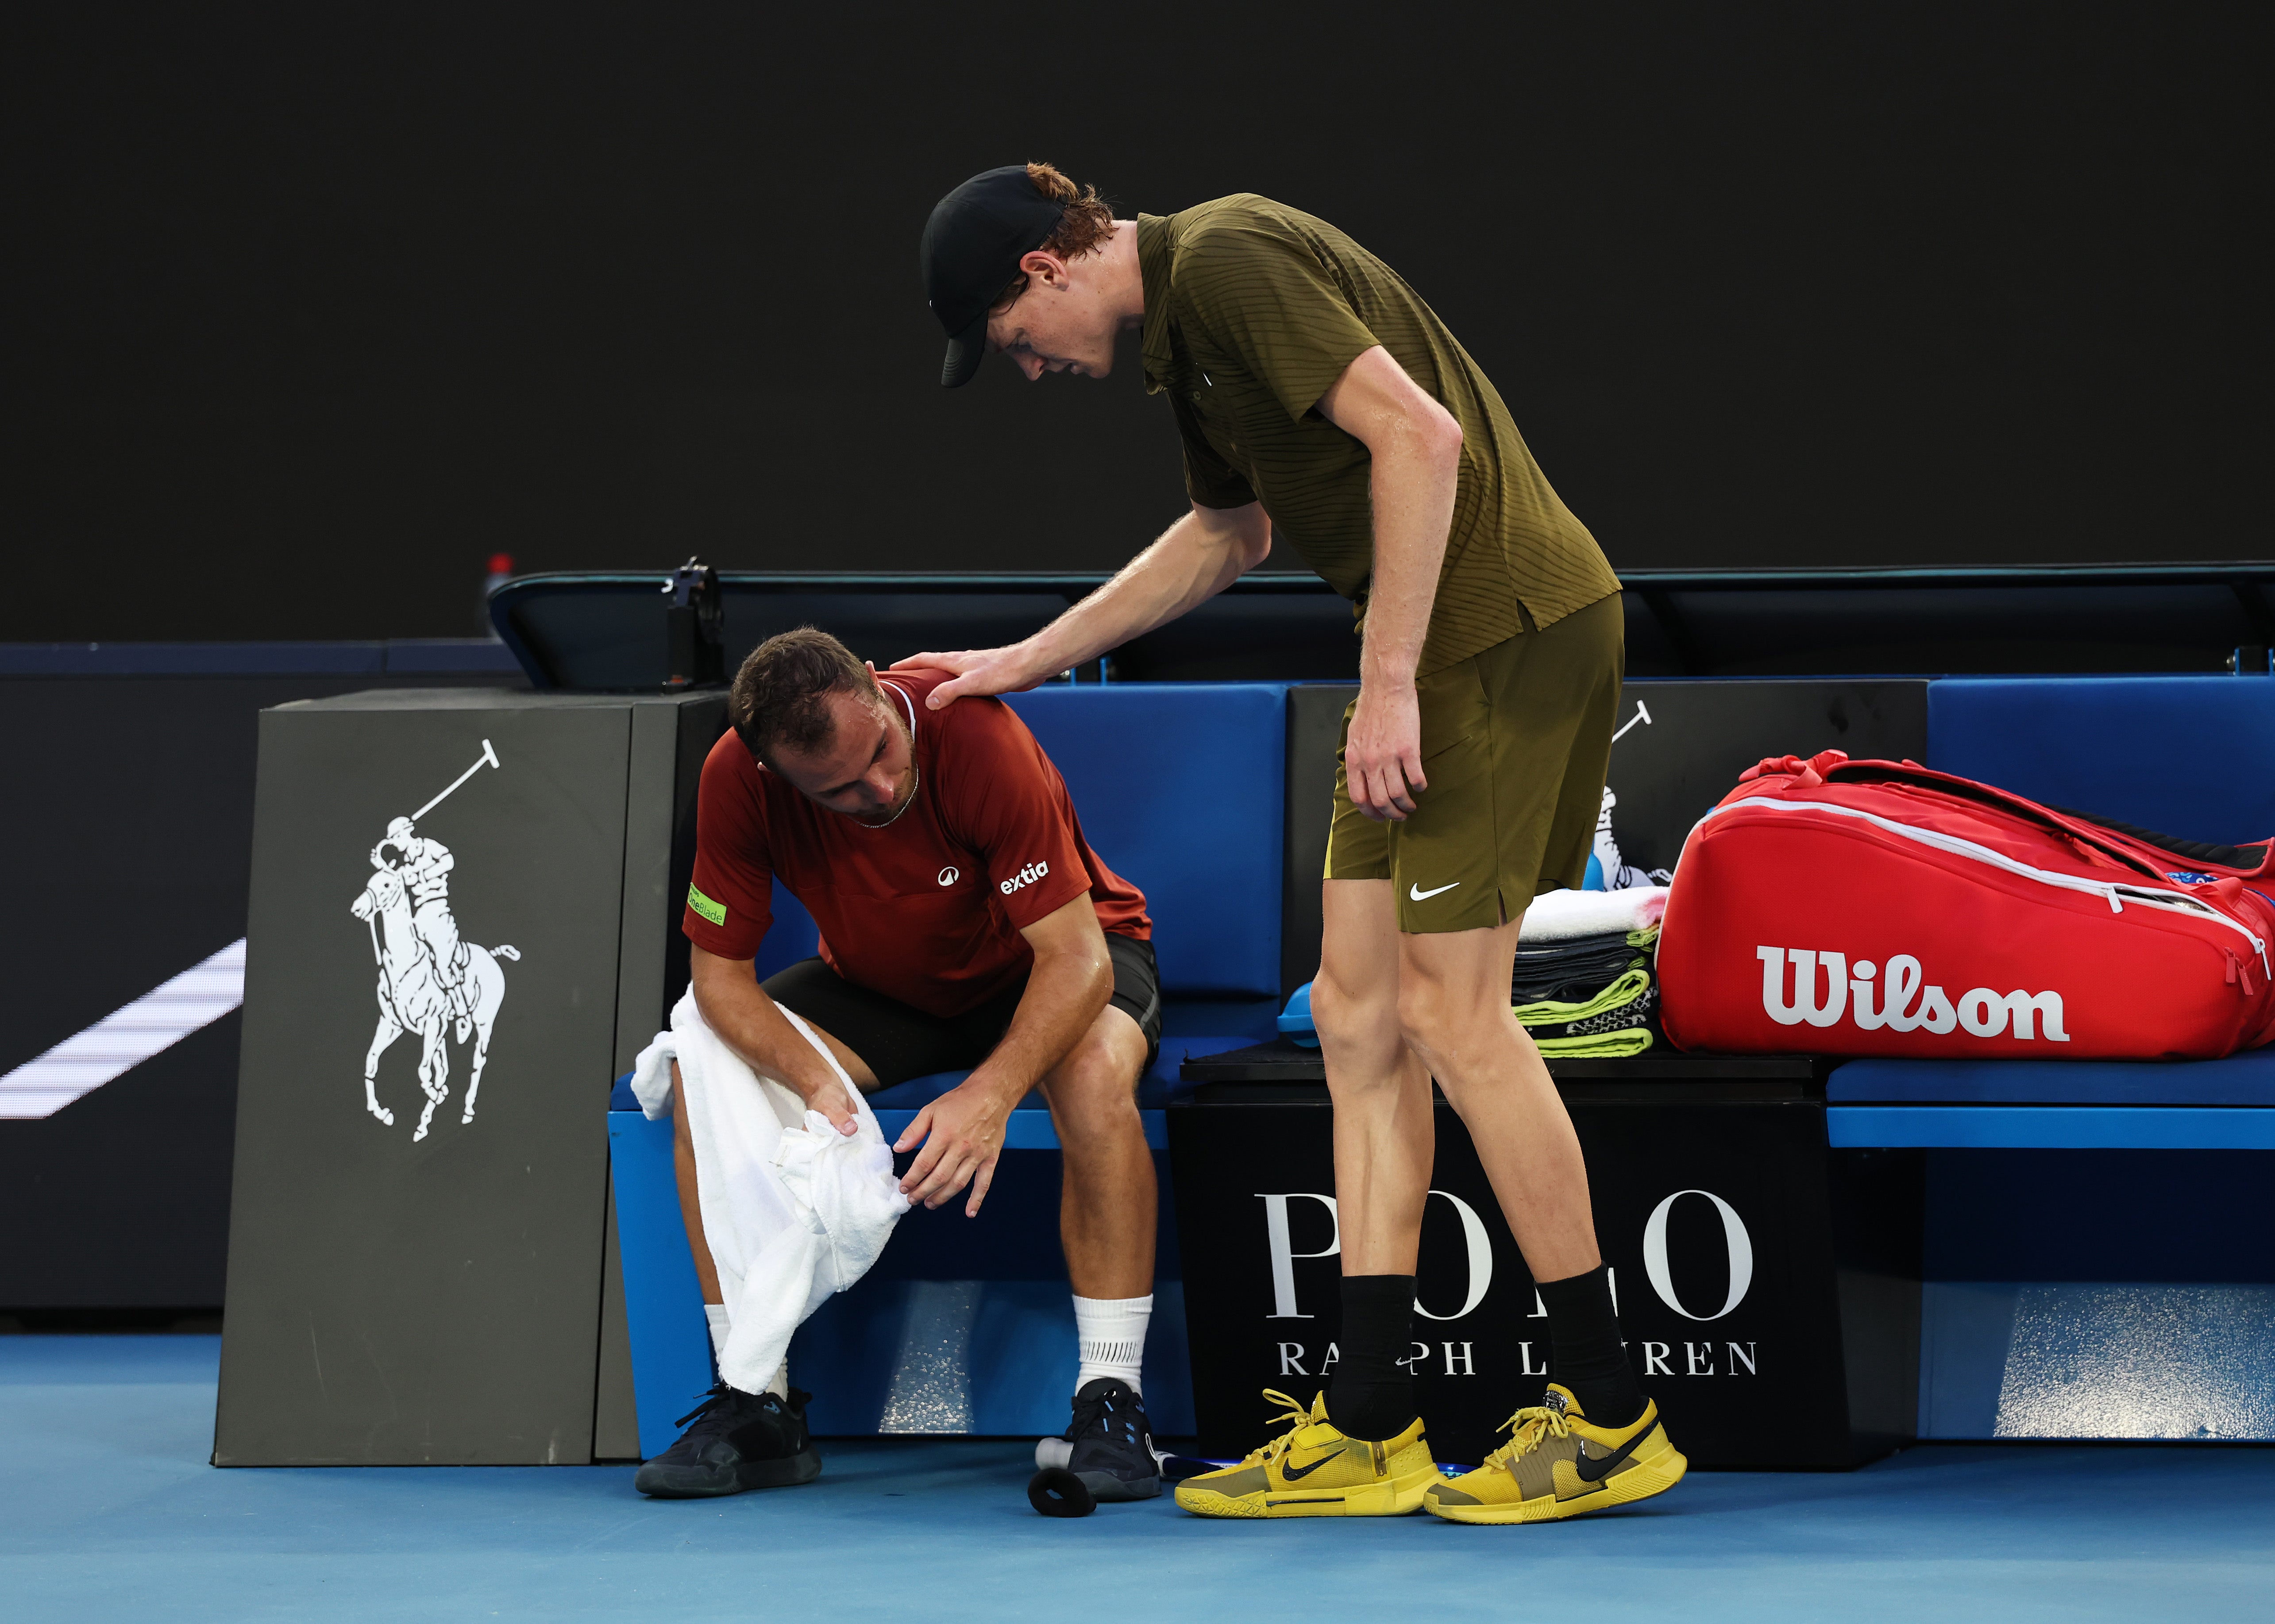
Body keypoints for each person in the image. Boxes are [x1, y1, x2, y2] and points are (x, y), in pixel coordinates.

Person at [909, 164, 1686, 1523]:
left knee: (1455, 1014)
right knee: (1355, 1014)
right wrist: (1027, 656)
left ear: (1041, 271)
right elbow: (1228, 534)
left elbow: (1422, 439)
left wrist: (1385, 685)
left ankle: (1612, 1412)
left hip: (1492, 634)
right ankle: (1374, 1423)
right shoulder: (1189, 341)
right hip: (1429, 652)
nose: (1029, 370)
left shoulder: (1224, 260)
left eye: (1014, 344)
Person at [633, 627, 1167, 1505]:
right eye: (836, 787)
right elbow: (718, 982)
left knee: (1093, 1070)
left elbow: (1077, 963)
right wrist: (812, 1082)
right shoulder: (737, 776)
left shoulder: (972, 733)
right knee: (707, 1065)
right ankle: (754, 1396)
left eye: (879, 750)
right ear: (777, 774)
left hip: (1054, 960)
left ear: (878, 693)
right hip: (887, 987)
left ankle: (1112, 1401)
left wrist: (988, 1095)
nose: (877, 788)